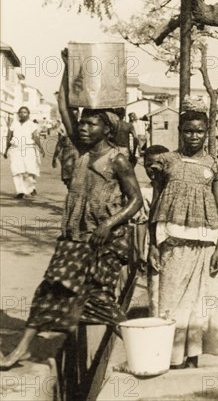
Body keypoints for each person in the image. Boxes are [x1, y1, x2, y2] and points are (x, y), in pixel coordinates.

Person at [0, 50, 143, 369]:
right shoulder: (81, 150)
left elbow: (136, 201)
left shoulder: (117, 159)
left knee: (98, 300)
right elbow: (65, 105)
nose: (83, 128)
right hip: (74, 238)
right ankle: (23, 347)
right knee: (50, 287)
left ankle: (142, 347)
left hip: (102, 242)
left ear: (107, 129)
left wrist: (110, 224)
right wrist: (68, 68)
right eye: (82, 124)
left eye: (92, 125)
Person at [150, 109, 218, 368]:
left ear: (207, 133)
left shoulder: (214, 165)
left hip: (205, 241)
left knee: (200, 303)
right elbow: (156, 200)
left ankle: (193, 356)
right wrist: (152, 242)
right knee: (170, 301)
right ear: (180, 131)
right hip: (172, 239)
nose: (194, 136)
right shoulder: (166, 161)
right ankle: (171, 357)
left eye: (199, 131)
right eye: (188, 130)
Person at [132, 144, 169, 317]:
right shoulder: (144, 191)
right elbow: (141, 221)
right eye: (148, 164)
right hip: (153, 248)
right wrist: (141, 251)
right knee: (155, 291)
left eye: (159, 164)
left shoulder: (173, 188)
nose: (153, 168)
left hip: (174, 244)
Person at [3, 106, 45, 199]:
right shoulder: (14, 123)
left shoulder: (31, 124)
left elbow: (36, 137)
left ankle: (31, 188)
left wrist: (41, 148)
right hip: (15, 149)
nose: (22, 114)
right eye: (21, 112)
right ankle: (20, 191)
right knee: (16, 171)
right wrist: (6, 150)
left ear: (28, 114)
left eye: (25, 112)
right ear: (18, 114)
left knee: (29, 170)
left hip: (28, 149)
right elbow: (9, 137)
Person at [52, 113, 80, 189]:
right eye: (72, 112)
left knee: (79, 178)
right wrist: (54, 157)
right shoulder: (63, 127)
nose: (74, 114)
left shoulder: (83, 125)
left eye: (76, 112)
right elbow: (60, 143)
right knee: (68, 179)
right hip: (68, 153)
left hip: (80, 153)